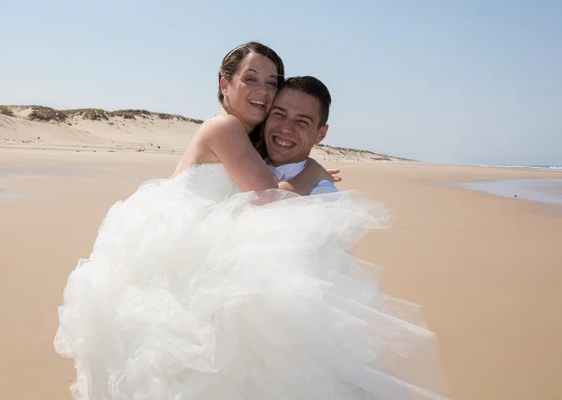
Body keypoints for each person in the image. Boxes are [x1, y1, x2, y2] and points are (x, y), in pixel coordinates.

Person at [54, 42, 451, 400]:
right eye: (251, 78)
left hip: (193, 256)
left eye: (271, 81)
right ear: (224, 84)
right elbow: (270, 199)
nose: (262, 89)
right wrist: (311, 170)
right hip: (182, 257)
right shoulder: (225, 127)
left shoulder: (250, 141)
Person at [264, 76, 338, 195]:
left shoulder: (322, 194)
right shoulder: (238, 162)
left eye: (302, 122)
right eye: (279, 114)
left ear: (320, 134)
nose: (286, 129)